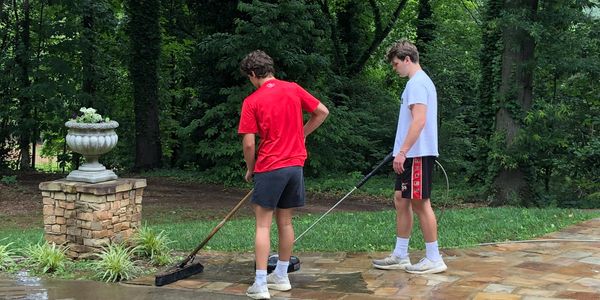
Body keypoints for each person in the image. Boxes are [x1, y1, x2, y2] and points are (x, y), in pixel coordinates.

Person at [238, 50, 329, 299]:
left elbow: (248, 144)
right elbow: (322, 111)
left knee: (262, 225)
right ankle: (281, 275)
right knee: (286, 222)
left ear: (254, 74)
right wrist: (301, 134)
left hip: (270, 166)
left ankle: (260, 284)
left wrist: (251, 167)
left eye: (249, 77)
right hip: (295, 166)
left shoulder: (252, 101)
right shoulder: (293, 88)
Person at [372, 40, 447, 274]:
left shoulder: (417, 83)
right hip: (411, 154)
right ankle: (400, 254)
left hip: (416, 153)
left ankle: (434, 258)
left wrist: (403, 151)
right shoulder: (417, 83)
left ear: (407, 59)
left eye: (395, 64)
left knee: (420, 203)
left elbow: (420, 120)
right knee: (400, 199)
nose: (394, 69)